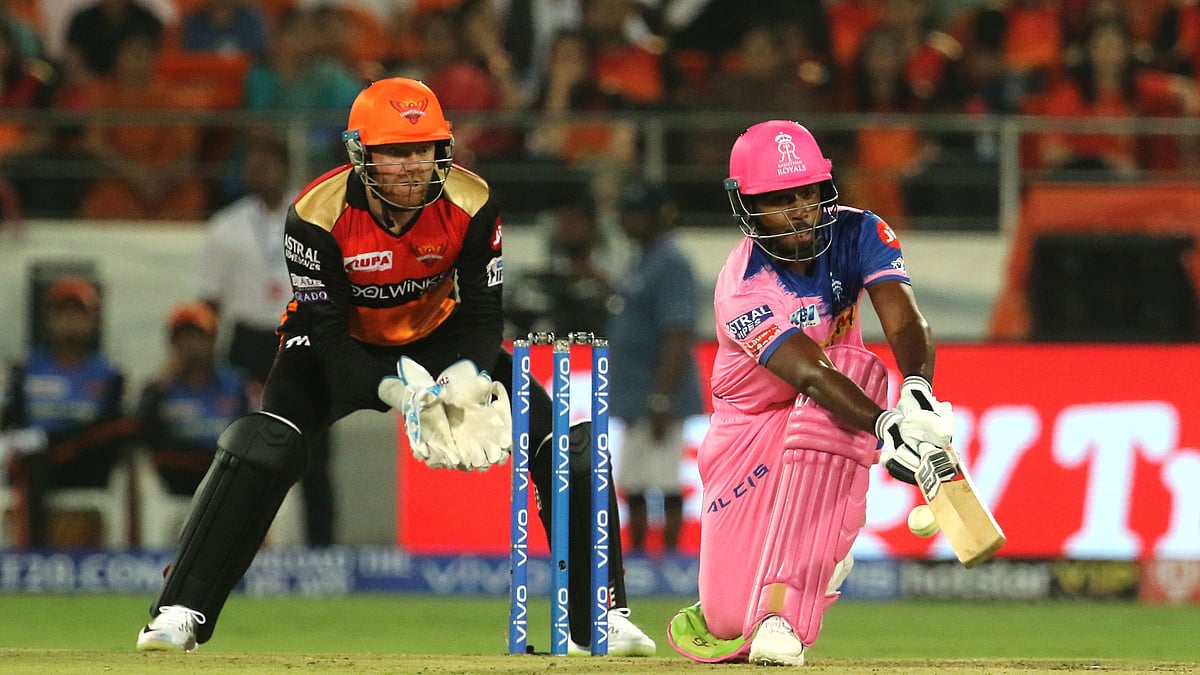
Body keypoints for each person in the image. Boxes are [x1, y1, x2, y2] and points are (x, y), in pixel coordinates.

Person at [135, 77, 656, 656]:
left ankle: (599, 618)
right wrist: (401, 393)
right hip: (336, 343)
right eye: (396, 151)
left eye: (423, 149)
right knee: (264, 444)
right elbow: (328, 336)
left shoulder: (472, 201)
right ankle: (180, 610)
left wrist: (468, 375)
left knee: (568, 445)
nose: (412, 165)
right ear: (361, 154)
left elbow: (484, 313)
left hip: (441, 336)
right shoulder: (315, 215)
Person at [665, 120, 954, 666]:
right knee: (728, 620)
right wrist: (887, 427)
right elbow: (809, 374)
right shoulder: (744, 287)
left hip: (831, 413)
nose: (799, 210)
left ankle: (785, 616)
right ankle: (818, 556)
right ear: (748, 208)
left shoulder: (861, 231)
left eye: (807, 193)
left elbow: (904, 320)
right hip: (748, 429)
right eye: (779, 200)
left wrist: (917, 392)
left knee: (854, 366)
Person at [190, 133, 338, 547]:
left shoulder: (315, 217)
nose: (257, 175)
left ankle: (323, 547)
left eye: (266, 166)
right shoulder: (227, 227)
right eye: (251, 167)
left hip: (302, 340)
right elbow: (209, 301)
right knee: (243, 450)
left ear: (285, 168)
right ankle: (234, 544)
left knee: (315, 450)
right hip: (248, 341)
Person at [1, 276, 134, 547]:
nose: (70, 322)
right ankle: (33, 552)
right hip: (37, 461)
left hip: (86, 463)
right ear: (49, 320)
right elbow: (10, 419)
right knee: (28, 458)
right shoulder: (25, 369)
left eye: (78, 314)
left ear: (92, 321)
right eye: (63, 313)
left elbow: (115, 428)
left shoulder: (109, 374)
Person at [607, 181, 702, 555]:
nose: (627, 222)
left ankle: (670, 562)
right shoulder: (640, 260)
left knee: (664, 481)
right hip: (635, 394)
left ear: (657, 218)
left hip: (660, 395)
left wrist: (663, 397)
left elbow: (678, 332)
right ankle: (637, 560)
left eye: (636, 215)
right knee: (633, 482)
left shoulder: (671, 262)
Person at [134, 301, 249, 501]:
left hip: (223, 476)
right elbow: (141, 436)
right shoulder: (157, 390)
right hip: (175, 479)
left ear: (212, 340)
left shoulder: (235, 385)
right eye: (182, 338)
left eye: (197, 336)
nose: (190, 345)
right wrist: (159, 389)